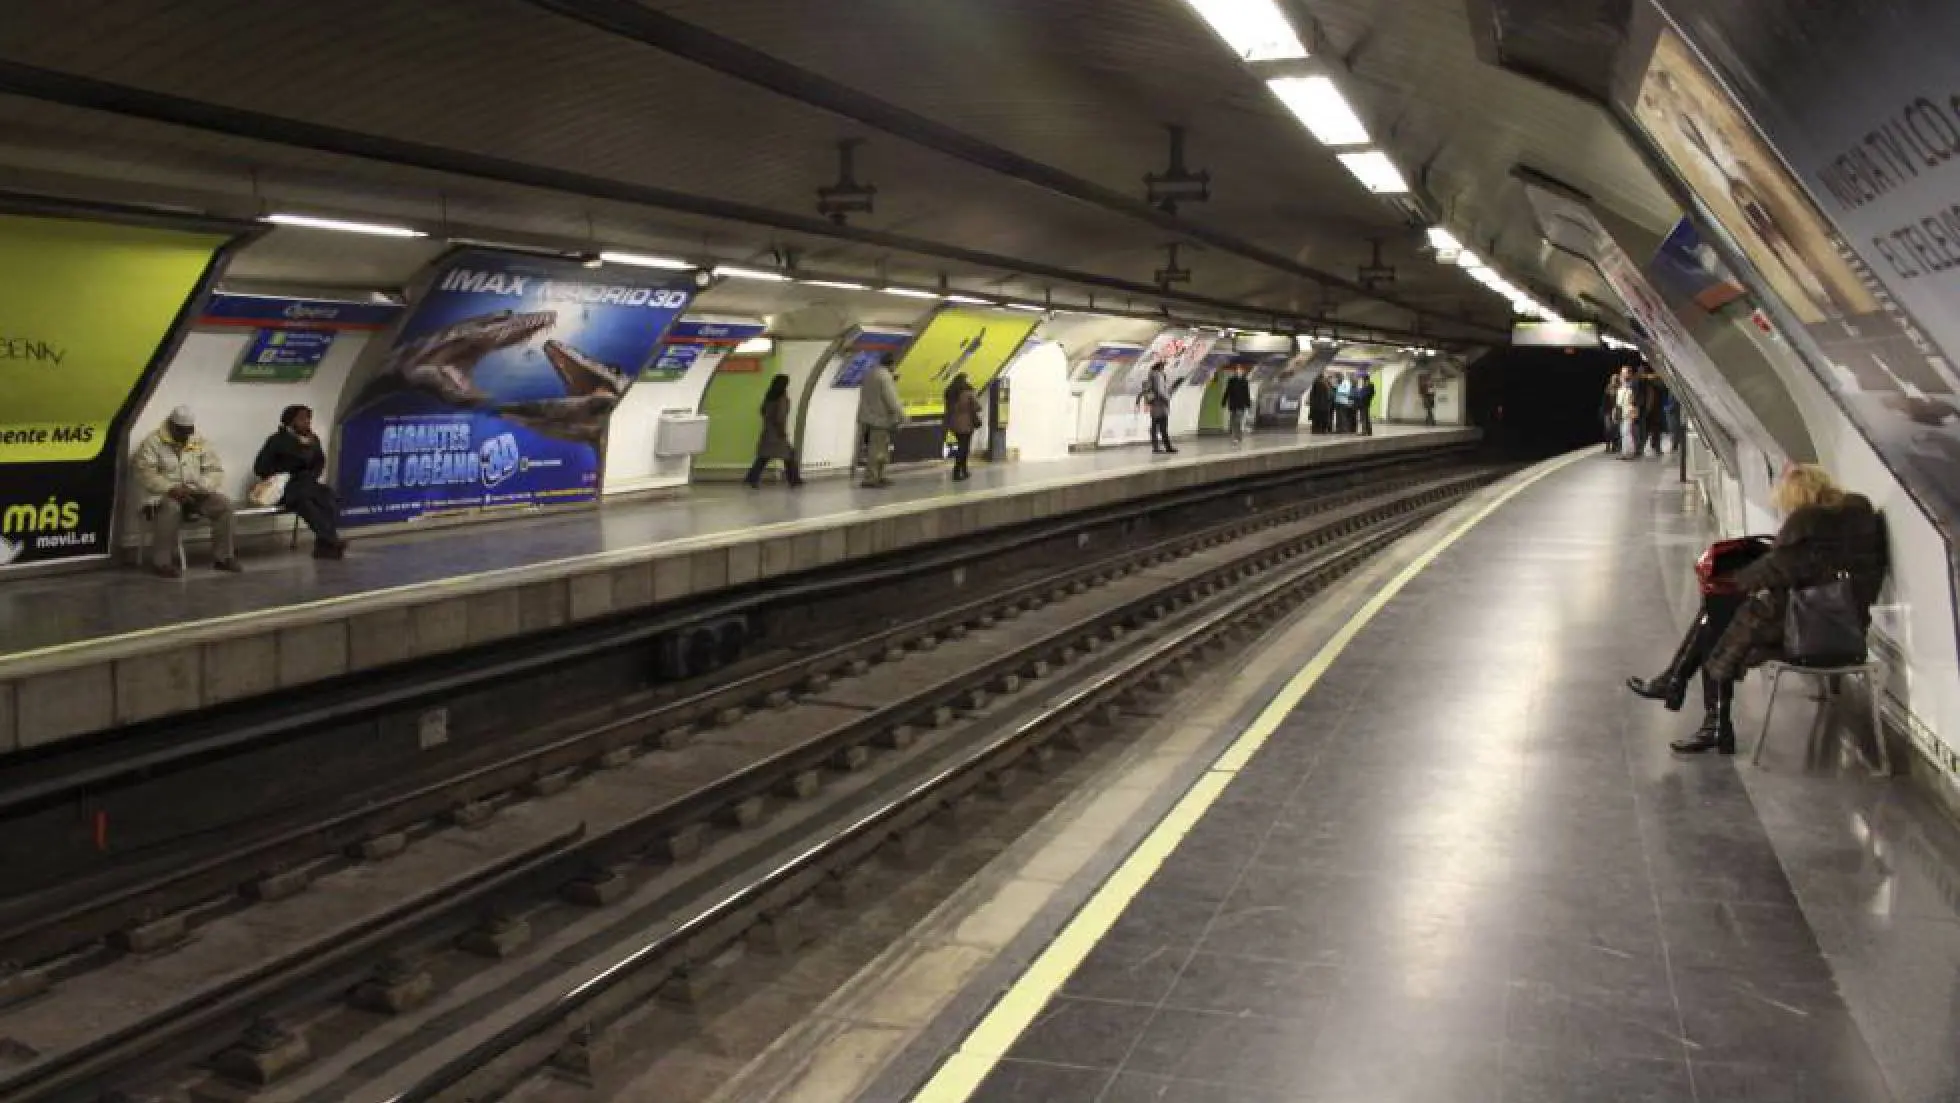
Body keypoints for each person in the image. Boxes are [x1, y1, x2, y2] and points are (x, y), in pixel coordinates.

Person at [1627, 465, 1886, 754]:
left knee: (1719, 618)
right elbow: (1802, 568)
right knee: (1719, 617)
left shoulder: (1807, 524)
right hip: (1846, 624)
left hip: (1809, 634)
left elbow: (1770, 572)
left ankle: (1697, 705)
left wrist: (1738, 575)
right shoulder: (1855, 520)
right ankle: (1683, 691)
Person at [134, 405, 241, 578]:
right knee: (170, 509)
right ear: (171, 425)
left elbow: (215, 470)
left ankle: (224, 557)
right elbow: (145, 473)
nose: (186, 436)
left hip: (195, 493)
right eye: (181, 432)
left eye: (189, 431)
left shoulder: (198, 441)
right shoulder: (153, 443)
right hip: (164, 495)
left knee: (224, 505)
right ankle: (162, 562)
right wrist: (170, 488)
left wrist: (202, 486)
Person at [253, 404, 346, 559]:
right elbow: (260, 467)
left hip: (307, 484)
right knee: (306, 503)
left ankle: (325, 545)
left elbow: (319, 462)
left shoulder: (313, 440)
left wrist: (310, 475)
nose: (307, 422)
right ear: (290, 421)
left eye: (308, 418)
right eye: (302, 419)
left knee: (328, 497)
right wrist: (286, 470)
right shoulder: (277, 440)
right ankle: (330, 541)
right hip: (285, 488)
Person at [855, 352, 905, 488]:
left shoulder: (870, 373)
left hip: (869, 416)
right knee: (877, 450)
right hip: (880, 419)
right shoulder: (885, 377)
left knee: (879, 449)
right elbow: (891, 399)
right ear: (892, 364)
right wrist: (902, 415)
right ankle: (871, 478)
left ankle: (878, 476)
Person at [745, 375, 803, 489]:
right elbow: (780, 417)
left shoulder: (769, 397)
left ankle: (752, 477)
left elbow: (762, 412)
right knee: (789, 456)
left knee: (764, 457)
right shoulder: (782, 398)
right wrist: (782, 431)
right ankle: (794, 480)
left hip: (767, 431)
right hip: (777, 434)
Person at [943, 372, 980, 480]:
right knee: (964, 448)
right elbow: (977, 407)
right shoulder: (968, 392)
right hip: (966, 424)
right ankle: (958, 471)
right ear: (965, 380)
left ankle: (963, 470)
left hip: (953, 423)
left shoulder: (949, 392)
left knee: (962, 446)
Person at [1138, 360, 1175, 454]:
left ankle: (1159, 447)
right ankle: (1164, 447)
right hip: (1160, 404)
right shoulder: (1158, 375)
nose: (1165, 367)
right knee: (1160, 427)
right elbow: (1160, 390)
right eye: (1164, 365)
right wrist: (1168, 397)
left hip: (1156, 404)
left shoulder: (1152, 374)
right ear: (1160, 366)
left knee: (1156, 426)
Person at [1222, 365, 1253, 443]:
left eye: (1239, 370)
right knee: (1233, 420)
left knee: (1237, 420)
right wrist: (1224, 401)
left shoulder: (1244, 381)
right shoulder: (1231, 380)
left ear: (1242, 372)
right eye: (1237, 370)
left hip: (1241, 404)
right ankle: (1236, 436)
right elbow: (1227, 391)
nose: (1238, 372)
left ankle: (1237, 437)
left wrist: (1248, 404)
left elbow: (1247, 393)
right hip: (1233, 403)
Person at [1616, 367, 1641, 459]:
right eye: (1622, 373)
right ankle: (1625, 452)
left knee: (1627, 432)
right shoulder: (1622, 386)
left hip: (1629, 411)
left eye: (1624, 373)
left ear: (1629, 374)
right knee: (1623, 432)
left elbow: (1634, 400)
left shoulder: (1632, 386)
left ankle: (1630, 452)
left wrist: (1634, 410)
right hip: (1622, 412)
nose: (1622, 374)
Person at [1601, 375, 1623, 454]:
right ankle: (1607, 446)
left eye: (1616, 379)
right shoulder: (1608, 388)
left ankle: (1614, 446)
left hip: (1616, 411)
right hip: (1607, 412)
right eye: (1613, 379)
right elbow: (1604, 402)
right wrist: (1604, 412)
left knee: (1615, 429)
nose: (1614, 381)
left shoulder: (1620, 389)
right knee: (1608, 429)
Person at [1353, 371, 1376, 436]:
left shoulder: (1369, 386)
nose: (1363, 381)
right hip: (1364, 403)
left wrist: (1359, 392)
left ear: (1366, 379)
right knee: (1366, 417)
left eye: (1363, 379)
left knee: (1364, 418)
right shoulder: (1368, 386)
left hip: (1364, 404)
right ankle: (1369, 431)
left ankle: (1364, 431)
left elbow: (1363, 394)